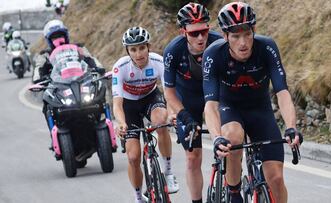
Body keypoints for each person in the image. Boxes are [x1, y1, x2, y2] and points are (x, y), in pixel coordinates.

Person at [203, 2, 302, 203]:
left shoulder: (266, 47)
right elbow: (211, 105)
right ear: (225, 36)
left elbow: (282, 92)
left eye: (247, 34)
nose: (243, 42)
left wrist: (291, 127)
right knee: (233, 136)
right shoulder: (214, 55)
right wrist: (216, 138)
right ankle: (233, 192)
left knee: (275, 178)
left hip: (260, 109)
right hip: (230, 107)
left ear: (254, 30)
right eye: (235, 36)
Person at [163, 2, 222, 203]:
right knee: (193, 157)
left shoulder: (219, 43)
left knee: (231, 144)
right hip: (188, 102)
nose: (200, 37)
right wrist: (184, 116)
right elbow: (169, 92)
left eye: (204, 31)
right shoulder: (173, 51)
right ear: (183, 32)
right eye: (194, 33)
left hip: (216, 97)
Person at [112, 26, 179, 203]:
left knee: (161, 121)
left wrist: (172, 113)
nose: (138, 53)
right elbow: (117, 103)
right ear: (128, 51)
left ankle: (168, 171)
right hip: (129, 105)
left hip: (151, 97)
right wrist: (120, 122)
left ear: (148, 46)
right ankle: (138, 196)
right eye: (133, 49)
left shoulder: (158, 61)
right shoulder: (121, 67)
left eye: (142, 47)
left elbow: (169, 93)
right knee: (133, 156)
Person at [32, 19, 104, 135]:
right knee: (47, 102)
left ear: (66, 35)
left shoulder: (78, 48)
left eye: (60, 35)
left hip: (82, 81)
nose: (58, 40)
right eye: (54, 37)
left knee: (99, 88)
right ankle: (54, 133)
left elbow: (91, 59)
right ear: (49, 40)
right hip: (59, 87)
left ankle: (102, 119)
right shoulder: (44, 55)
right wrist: (38, 79)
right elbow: (38, 69)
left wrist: (98, 68)